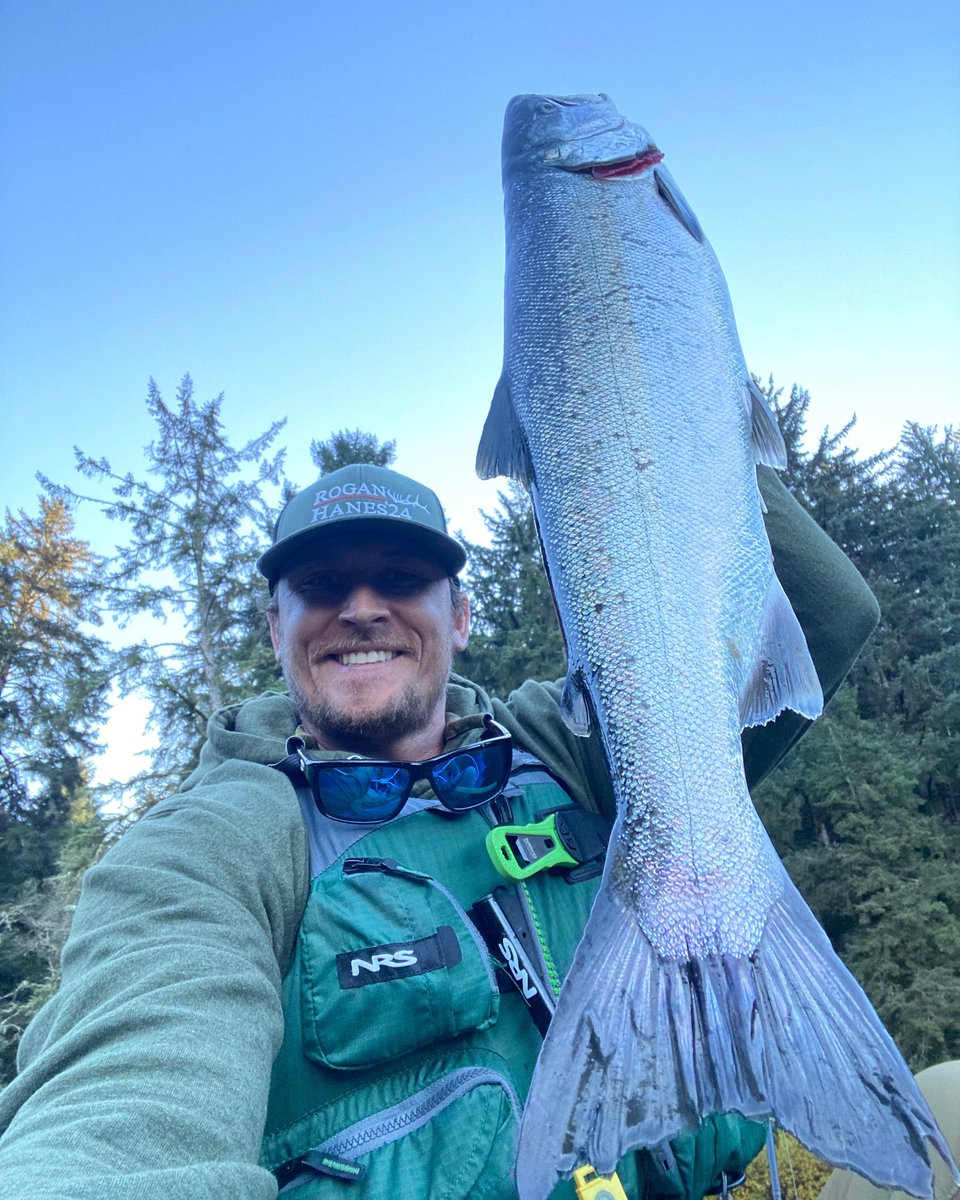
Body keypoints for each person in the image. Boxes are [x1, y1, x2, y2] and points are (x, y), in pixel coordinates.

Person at [0, 462, 879, 1199]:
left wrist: (644, 395)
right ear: (277, 630)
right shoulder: (215, 842)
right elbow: (119, 1108)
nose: (363, 607)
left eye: (402, 577)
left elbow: (823, 612)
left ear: (458, 614)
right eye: (320, 586)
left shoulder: (575, 747)